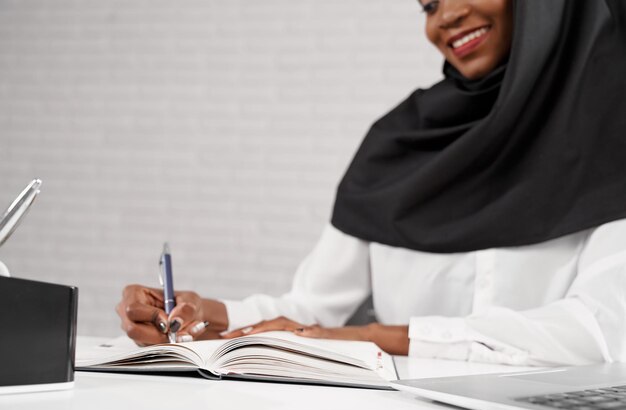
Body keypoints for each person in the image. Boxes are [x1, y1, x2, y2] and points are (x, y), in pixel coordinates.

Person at [117, 0, 626, 365]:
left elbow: (603, 332)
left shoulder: (614, 132)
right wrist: (206, 315)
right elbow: (313, 310)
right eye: (428, 5)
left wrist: (373, 336)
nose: (445, 17)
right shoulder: (399, 142)